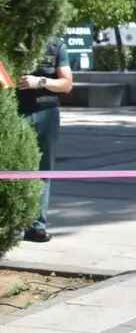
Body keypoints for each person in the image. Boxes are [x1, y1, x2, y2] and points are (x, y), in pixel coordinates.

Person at [16, 36, 74, 242]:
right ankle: (14, 222)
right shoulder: (12, 34)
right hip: (16, 110)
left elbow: (67, 84)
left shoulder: (57, 44)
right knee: (13, 167)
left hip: (46, 111)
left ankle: (37, 225)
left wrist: (40, 81)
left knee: (43, 169)